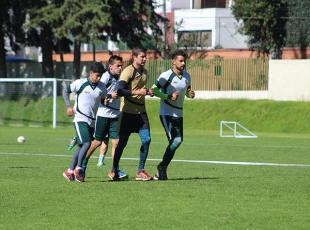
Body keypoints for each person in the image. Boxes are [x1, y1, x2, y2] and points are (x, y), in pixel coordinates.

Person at [110, 46, 154, 181]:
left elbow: (141, 89)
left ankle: (140, 171)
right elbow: (119, 91)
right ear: (134, 57)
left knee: (147, 140)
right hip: (128, 113)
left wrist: (148, 92)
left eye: (145, 56)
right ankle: (114, 170)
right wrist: (138, 92)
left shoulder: (145, 72)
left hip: (141, 112)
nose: (145, 59)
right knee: (122, 143)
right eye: (142, 56)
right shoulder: (127, 72)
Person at [80, 55, 128, 179]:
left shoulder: (120, 78)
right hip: (103, 114)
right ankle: (82, 166)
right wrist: (109, 98)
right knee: (96, 142)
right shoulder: (105, 77)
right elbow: (100, 94)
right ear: (110, 66)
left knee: (116, 142)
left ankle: (114, 170)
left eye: (121, 66)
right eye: (118, 66)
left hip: (115, 114)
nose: (120, 68)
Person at [151, 50, 195, 180]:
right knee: (175, 140)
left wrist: (190, 95)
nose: (183, 63)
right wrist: (168, 96)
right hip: (166, 112)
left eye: (184, 61)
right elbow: (153, 90)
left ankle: (162, 169)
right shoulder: (166, 75)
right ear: (173, 61)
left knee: (179, 140)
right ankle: (162, 167)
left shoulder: (187, 76)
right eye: (180, 61)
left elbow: (186, 92)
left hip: (179, 113)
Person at [62, 62, 107, 182]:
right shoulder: (80, 83)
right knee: (87, 144)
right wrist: (68, 106)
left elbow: (103, 100)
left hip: (92, 121)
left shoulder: (102, 87)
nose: (98, 78)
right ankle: (79, 168)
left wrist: (105, 102)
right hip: (79, 118)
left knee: (81, 146)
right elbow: (65, 91)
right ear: (90, 73)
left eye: (100, 76)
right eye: (97, 75)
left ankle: (69, 171)